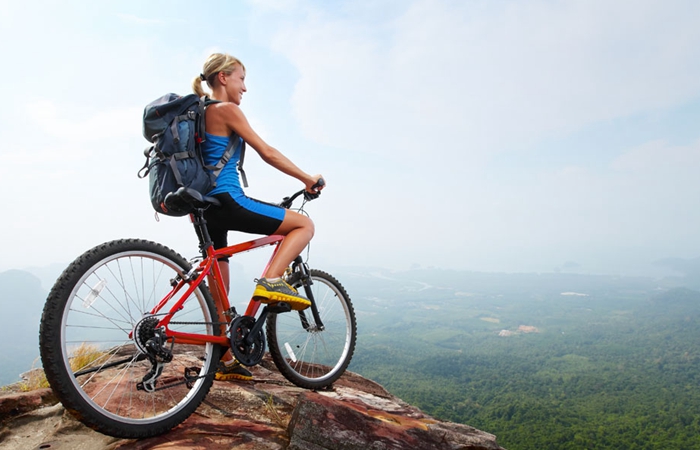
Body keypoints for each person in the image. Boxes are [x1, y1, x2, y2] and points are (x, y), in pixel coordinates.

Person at [192, 53, 325, 381]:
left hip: (202, 208)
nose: (245, 88)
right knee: (303, 224)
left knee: (219, 275)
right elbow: (268, 153)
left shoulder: (197, 113)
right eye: (241, 79)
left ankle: (225, 357)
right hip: (227, 200)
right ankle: (271, 281)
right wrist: (307, 178)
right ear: (223, 77)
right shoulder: (226, 110)